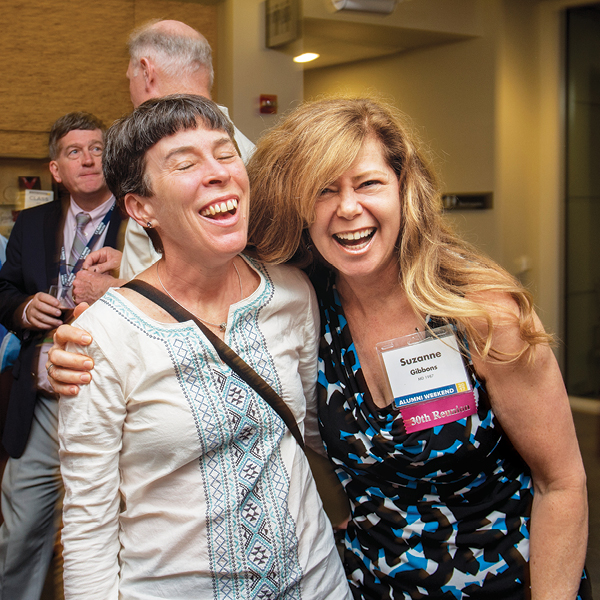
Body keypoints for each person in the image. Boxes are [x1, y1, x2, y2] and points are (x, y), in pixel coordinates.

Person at [48, 97, 591, 599]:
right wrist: (92, 328)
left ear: (404, 189)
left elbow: (561, 482)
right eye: (324, 190)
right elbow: (197, 267)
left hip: (497, 580)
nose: (348, 209)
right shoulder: (307, 296)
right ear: (298, 204)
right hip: (365, 583)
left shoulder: (478, 312)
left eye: (369, 183)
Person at [55, 94, 350, 599]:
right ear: (141, 207)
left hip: (316, 584)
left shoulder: (291, 295)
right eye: (186, 163)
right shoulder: (101, 335)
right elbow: (89, 521)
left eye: (226, 152)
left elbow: (313, 435)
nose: (218, 173)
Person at [0, 112, 124, 600]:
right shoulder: (30, 224)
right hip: (43, 398)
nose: (89, 159)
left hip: (114, 394)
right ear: (56, 169)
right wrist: (25, 308)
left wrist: (121, 281)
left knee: (113, 533)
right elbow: (4, 289)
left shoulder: (142, 216)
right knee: (20, 534)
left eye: (97, 148)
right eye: (74, 151)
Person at [74, 19, 255, 304]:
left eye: (129, 78)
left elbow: (216, 289)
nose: (217, 170)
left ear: (147, 72)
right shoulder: (248, 151)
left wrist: (112, 294)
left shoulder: (232, 162)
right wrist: (129, 263)